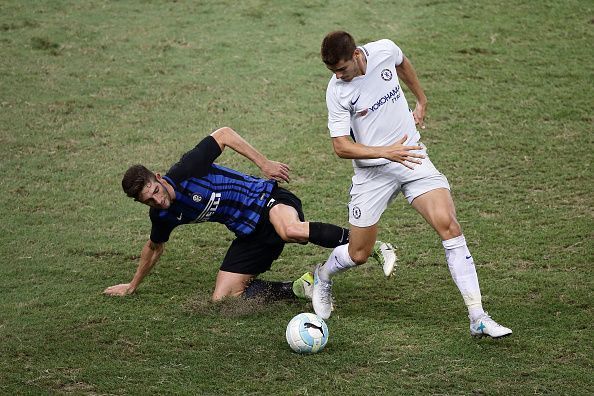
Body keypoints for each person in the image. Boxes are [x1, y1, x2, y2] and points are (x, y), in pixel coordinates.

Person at [312, 31, 512, 338]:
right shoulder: (338, 91)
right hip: (372, 175)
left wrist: (420, 98)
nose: (338, 76)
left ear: (355, 56)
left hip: (412, 158)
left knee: (449, 226)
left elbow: (402, 62)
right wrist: (385, 151)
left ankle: (478, 317)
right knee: (359, 254)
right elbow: (340, 146)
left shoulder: (383, 50)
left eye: (341, 69)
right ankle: (323, 276)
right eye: (333, 72)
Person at [104, 126, 395, 302]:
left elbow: (224, 134)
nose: (158, 200)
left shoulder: (186, 170)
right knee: (223, 297)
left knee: (289, 230)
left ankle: (370, 244)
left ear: (157, 177)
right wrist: (132, 286)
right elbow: (154, 248)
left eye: (156, 190)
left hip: (268, 199)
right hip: (250, 232)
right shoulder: (162, 217)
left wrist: (264, 163)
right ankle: (301, 287)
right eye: (149, 201)